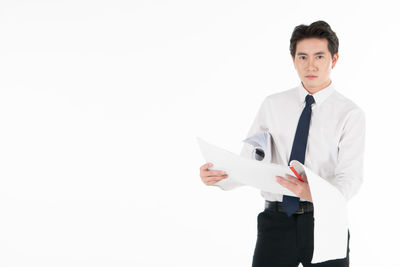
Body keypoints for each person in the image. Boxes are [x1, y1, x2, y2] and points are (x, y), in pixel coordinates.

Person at [199, 20, 365, 267]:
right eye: (303, 57)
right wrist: (219, 176)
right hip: (276, 221)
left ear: (334, 59)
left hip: (325, 221)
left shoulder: (350, 114)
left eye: (319, 56)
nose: (311, 65)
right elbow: (250, 160)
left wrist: (312, 193)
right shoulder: (273, 105)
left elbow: (350, 178)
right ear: (293, 60)